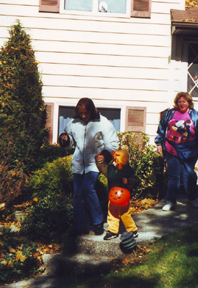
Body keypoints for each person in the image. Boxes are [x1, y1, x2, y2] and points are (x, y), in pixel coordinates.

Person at [59, 98, 119, 236]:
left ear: (92, 110)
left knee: (87, 188)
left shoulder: (103, 123)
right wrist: (65, 140)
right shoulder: (73, 123)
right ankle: (80, 226)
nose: (84, 116)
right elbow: (71, 142)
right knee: (77, 194)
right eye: (81, 113)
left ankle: (98, 222)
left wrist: (105, 154)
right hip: (79, 163)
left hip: (94, 163)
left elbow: (113, 143)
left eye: (86, 113)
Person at [155, 92, 198, 211]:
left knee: (189, 175)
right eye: (179, 101)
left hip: (189, 151)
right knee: (173, 176)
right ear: (177, 103)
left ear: (189, 103)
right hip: (171, 150)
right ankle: (171, 201)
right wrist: (159, 143)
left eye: (184, 101)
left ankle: (192, 199)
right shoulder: (169, 114)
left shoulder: (197, 116)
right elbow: (161, 129)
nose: (182, 104)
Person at [95, 149, 141, 240]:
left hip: (123, 198)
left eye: (116, 160)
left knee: (125, 214)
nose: (114, 163)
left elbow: (137, 180)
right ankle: (112, 231)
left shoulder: (128, 170)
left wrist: (128, 181)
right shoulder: (111, 169)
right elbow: (104, 168)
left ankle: (132, 230)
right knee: (112, 214)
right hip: (112, 197)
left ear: (122, 161)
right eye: (113, 160)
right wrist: (99, 161)